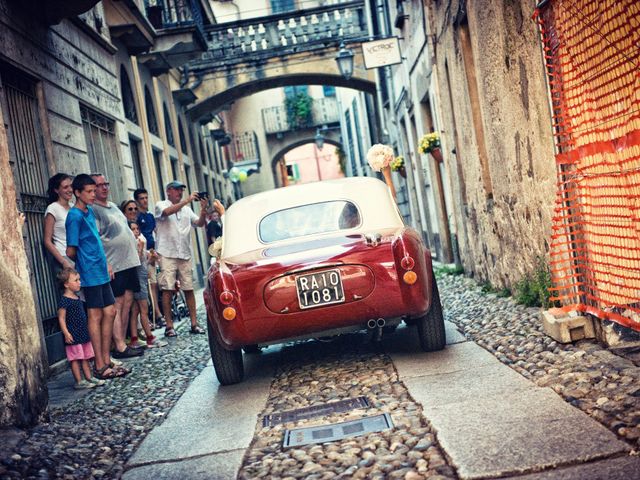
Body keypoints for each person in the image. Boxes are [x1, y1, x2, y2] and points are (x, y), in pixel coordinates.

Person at [65, 174, 125, 380]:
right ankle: (100, 365)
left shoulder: (89, 211)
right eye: (89, 191)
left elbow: (95, 240)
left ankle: (106, 359)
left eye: (94, 190)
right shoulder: (73, 216)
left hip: (100, 270)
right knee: (96, 315)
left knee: (110, 311)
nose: (93, 194)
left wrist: (105, 263)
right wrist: (85, 263)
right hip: (89, 273)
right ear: (77, 193)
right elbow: (70, 250)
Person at [90, 173, 142, 359]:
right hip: (114, 263)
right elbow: (96, 238)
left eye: (106, 183)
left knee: (128, 300)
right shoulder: (93, 210)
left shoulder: (112, 206)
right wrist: (106, 262)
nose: (104, 187)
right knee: (117, 303)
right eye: (99, 185)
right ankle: (119, 346)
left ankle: (123, 341)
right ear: (92, 188)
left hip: (129, 261)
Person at [154, 180, 209, 336]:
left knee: (189, 288)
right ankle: (169, 326)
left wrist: (203, 210)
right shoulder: (161, 204)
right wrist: (187, 200)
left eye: (182, 190)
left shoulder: (186, 209)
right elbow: (166, 213)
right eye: (177, 190)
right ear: (169, 191)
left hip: (184, 253)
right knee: (167, 289)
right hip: (167, 252)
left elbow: (199, 223)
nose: (180, 193)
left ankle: (194, 323)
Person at [56, 267, 105, 389]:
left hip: (82, 332)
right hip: (73, 334)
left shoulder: (78, 298)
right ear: (66, 284)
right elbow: (61, 318)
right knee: (75, 358)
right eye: (76, 280)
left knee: (86, 357)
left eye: (79, 279)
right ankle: (79, 381)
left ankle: (89, 377)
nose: (79, 282)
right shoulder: (64, 300)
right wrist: (66, 333)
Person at [128, 220, 167, 349]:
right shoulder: (133, 244)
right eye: (133, 229)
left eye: (137, 229)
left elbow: (146, 261)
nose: (136, 231)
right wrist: (140, 248)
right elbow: (136, 261)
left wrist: (152, 257)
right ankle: (150, 338)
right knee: (143, 309)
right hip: (138, 280)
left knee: (135, 310)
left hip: (142, 277)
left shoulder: (139, 243)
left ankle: (134, 339)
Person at [133, 188, 164, 325]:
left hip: (154, 251)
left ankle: (159, 311)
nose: (145, 201)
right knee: (151, 284)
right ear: (137, 200)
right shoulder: (137, 217)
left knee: (158, 282)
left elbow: (155, 233)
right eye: (141, 198)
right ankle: (157, 314)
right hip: (144, 253)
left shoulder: (150, 216)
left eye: (146, 198)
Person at [44, 173, 74, 271]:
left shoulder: (74, 207)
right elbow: (47, 240)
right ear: (57, 190)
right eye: (65, 187)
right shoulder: (53, 208)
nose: (70, 190)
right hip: (64, 257)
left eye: (71, 186)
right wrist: (63, 261)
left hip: (79, 256)